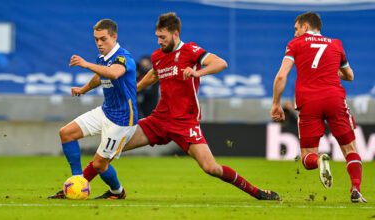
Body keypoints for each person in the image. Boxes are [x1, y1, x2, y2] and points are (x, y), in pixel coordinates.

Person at [74, 12, 280, 201]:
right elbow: (153, 75)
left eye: (163, 37)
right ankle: (77, 187)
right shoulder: (158, 56)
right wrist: (134, 88)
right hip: (159, 120)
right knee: (106, 153)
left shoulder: (190, 50)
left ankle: (258, 193)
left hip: (185, 123)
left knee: (211, 168)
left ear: (175, 34)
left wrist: (197, 72)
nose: (159, 41)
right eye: (157, 37)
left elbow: (220, 63)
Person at [270, 11, 366, 203]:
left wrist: (276, 104)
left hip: (308, 102)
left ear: (306, 26)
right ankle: (355, 189)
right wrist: (330, 68)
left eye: (296, 29)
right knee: (350, 149)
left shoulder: (294, 44)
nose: (295, 33)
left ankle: (320, 160)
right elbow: (350, 76)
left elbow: (281, 76)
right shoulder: (336, 44)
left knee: (307, 157)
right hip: (334, 99)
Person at [48, 19, 138, 200]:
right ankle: (77, 180)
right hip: (105, 111)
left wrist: (85, 64)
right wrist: (83, 89)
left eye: (103, 39)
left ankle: (117, 192)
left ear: (114, 37)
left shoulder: (123, 57)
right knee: (66, 133)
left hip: (122, 121)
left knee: (99, 165)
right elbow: (99, 77)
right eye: (96, 39)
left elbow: (114, 73)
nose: (99, 43)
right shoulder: (102, 58)